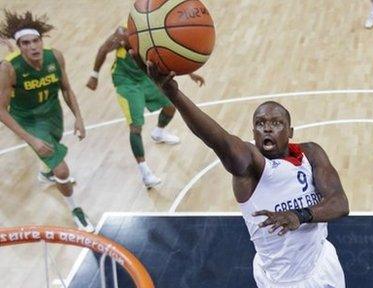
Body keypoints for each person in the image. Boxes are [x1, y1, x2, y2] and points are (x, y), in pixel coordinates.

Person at [141, 61, 350, 286]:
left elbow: (340, 204)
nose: (267, 128)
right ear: (253, 132)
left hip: (322, 263)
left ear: (290, 131)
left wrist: (298, 216)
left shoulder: (312, 153)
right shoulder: (250, 166)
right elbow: (218, 140)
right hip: (285, 281)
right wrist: (174, 94)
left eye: (276, 123)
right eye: (260, 124)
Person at [0, 10, 94, 232]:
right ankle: (76, 210)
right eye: (26, 43)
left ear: (42, 41)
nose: (33, 47)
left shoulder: (55, 57)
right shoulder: (9, 68)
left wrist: (79, 118)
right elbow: (1, 110)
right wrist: (31, 139)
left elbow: (67, 89)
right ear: (19, 46)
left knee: (53, 163)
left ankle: (45, 174)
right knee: (62, 171)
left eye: (36, 41)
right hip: (29, 120)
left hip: (53, 114)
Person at [86, 27, 205, 188]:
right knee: (135, 126)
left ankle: (158, 132)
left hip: (143, 77)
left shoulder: (155, 34)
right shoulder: (123, 33)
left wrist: (191, 74)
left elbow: (169, 57)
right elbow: (103, 49)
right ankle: (145, 172)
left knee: (170, 106)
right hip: (126, 82)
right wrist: (94, 76)